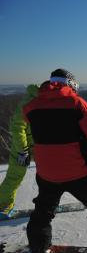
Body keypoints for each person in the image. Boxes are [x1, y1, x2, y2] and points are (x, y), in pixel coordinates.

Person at [23, 69, 87, 253]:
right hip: (79, 173)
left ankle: (38, 247)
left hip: (46, 173)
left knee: (43, 210)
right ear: (71, 84)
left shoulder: (31, 107)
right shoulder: (78, 104)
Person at [0, 84, 38, 219]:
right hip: (23, 146)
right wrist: (23, 150)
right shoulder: (28, 101)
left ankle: (48, 203)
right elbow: (17, 127)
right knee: (14, 176)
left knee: (49, 176)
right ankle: (2, 205)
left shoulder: (39, 98)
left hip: (38, 144)